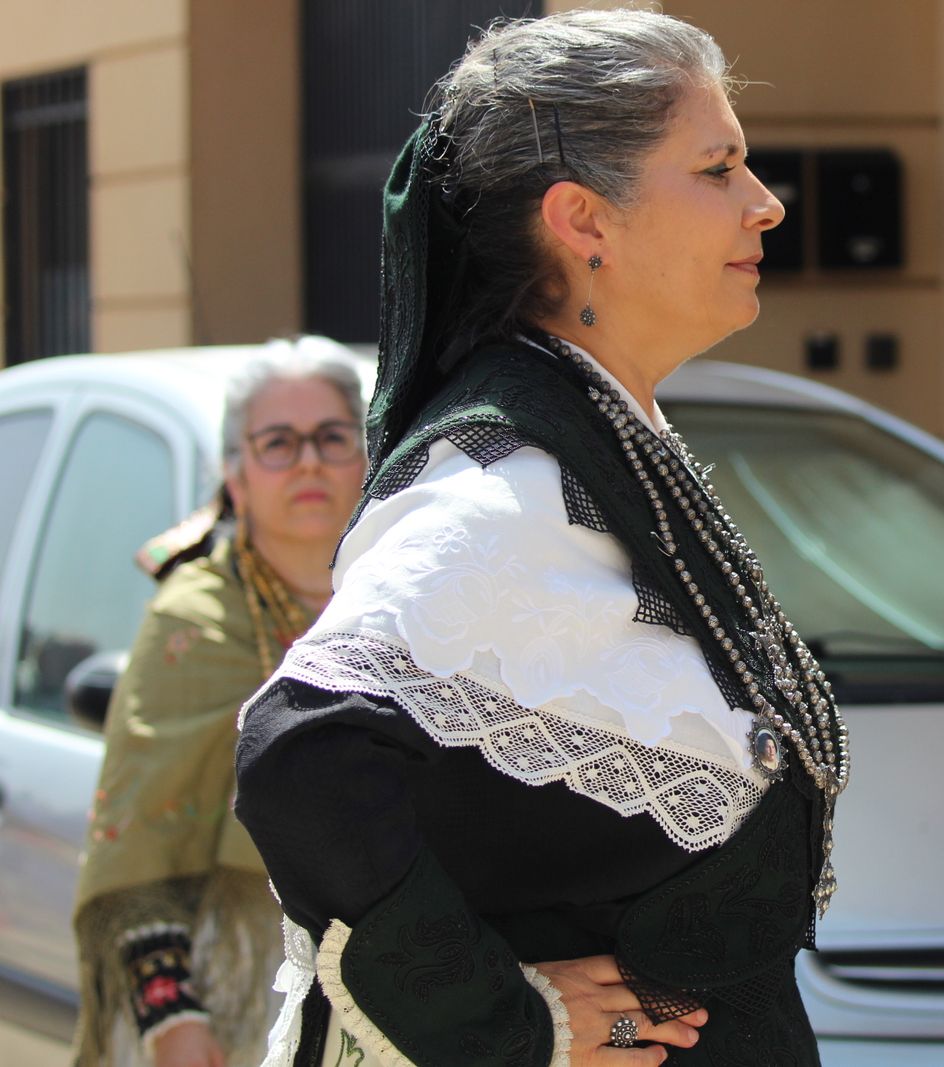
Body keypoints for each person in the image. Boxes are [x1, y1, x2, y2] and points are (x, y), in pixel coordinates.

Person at [231, 12, 849, 1067]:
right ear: (583, 219)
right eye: (718, 169)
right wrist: (508, 1024)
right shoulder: (505, 481)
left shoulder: (602, 436)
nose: (765, 202)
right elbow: (299, 753)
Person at [72, 339, 369, 1067]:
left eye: (332, 437)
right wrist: (171, 1016)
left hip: (416, 975)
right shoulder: (194, 623)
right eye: (278, 443)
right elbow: (140, 839)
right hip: (246, 998)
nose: (308, 462)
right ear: (235, 476)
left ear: (369, 458)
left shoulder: (416, 601)